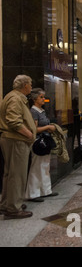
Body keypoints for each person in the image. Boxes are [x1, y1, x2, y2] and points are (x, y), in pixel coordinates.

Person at [0, 75, 36, 219]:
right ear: (25, 85)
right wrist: (28, 134)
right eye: (30, 84)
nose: (31, 86)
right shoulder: (15, 98)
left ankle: (7, 204)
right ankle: (13, 209)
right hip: (16, 141)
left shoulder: (14, 96)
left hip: (12, 140)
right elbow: (14, 121)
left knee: (10, 174)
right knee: (17, 175)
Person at [25, 88, 58, 202]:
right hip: (38, 142)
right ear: (34, 99)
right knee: (36, 167)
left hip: (45, 140)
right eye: (41, 97)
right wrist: (48, 127)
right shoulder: (33, 111)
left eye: (44, 97)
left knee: (44, 166)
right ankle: (33, 193)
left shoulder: (41, 110)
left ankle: (46, 190)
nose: (44, 99)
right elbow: (34, 129)